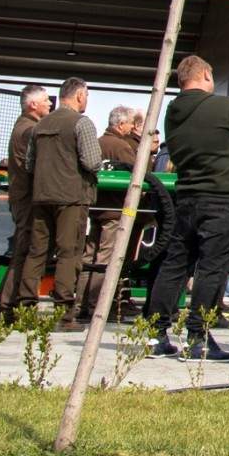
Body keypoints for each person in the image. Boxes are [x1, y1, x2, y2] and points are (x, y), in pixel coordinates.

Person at [145, 55, 229, 360]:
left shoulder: (172, 112)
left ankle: (156, 334)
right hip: (223, 198)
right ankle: (197, 337)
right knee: (212, 268)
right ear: (206, 74)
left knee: (174, 265)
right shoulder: (225, 106)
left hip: (185, 198)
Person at [15, 77, 101, 328]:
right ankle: (64, 314)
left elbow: (30, 165)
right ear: (80, 96)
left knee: (36, 252)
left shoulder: (40, 125)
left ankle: (25, 310)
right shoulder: (81, 123)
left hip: (41, 196)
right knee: (69, 252)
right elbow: (92, 162)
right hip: (72, 198)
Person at [76, 105, 143, 322]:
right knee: (107, 259)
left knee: (89, 257)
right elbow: (139, 176)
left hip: (94, 208)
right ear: (121, 124)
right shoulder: (121, 147)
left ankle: (81, 304)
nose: (133, 127)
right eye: (132, 123)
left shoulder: (97, 143)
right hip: (114, 212)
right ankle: (100, 305)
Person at [0, 84, 51, 324]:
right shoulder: (29, 130)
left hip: (22, 199)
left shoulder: (22, 127)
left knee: (24, 252)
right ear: (33, 105)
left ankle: (4, 306)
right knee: (27, 253)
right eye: (46, 100)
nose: (50, 104)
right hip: (27, 200)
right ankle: (7, 306)